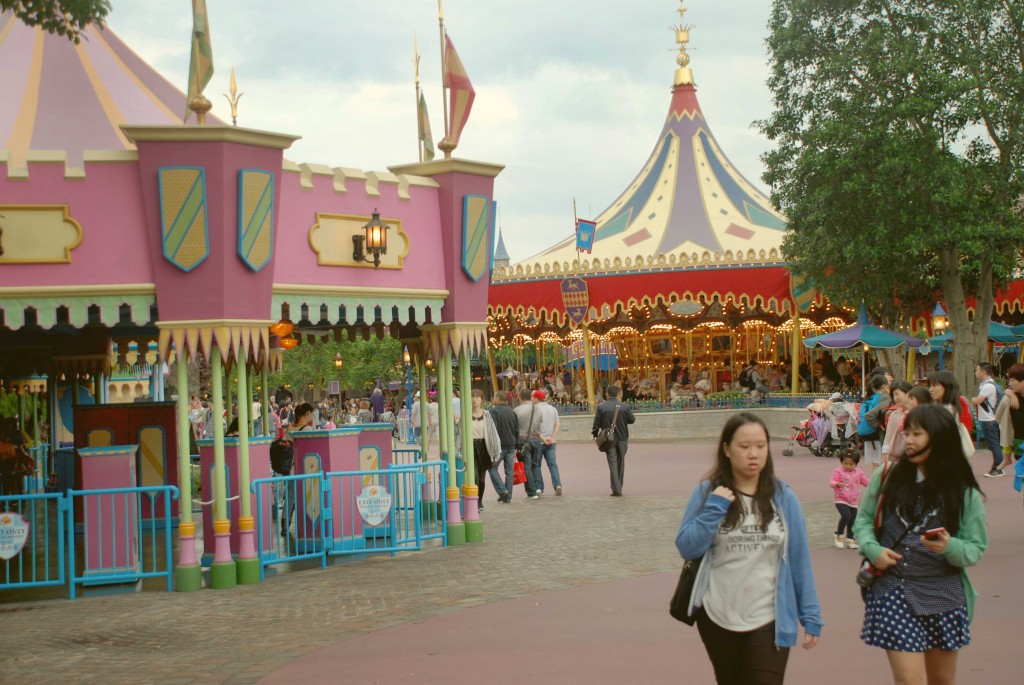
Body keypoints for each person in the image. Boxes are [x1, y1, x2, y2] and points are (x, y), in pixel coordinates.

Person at [675, 413, 822, 684]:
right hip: (718, 614)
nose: (753, 454)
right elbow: (687, 547)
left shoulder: (783, 497)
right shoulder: (708, 492)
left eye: (761, 446)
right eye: (744, 447)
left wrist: (810, 615)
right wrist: (714, 509)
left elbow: (799, 558)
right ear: (727, 449)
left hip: (770, 614)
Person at [853, 404, 987, 684]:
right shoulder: (887, 476)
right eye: (907, 433)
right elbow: (863, 523)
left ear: (939, 438)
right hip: (893, 588)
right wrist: (873, 551)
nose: (909, 441)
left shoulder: (962, 490)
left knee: (941, 680)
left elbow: (975, 547)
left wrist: (950, 546)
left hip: (944, 593)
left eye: (918, 434)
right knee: (910, 680)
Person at [591, 384, 635, 496]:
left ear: (607, 393)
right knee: (621, 463)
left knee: (613, 463)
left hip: (609, 439)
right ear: (618, 394)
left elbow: (596, 424)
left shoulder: (602, 407)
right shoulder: (624, 406)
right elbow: (632, 420)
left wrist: (595, 435)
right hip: (623, 438)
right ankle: (618, 485)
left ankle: (616, 489)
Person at [830, 445, 869, 549]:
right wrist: (836, 484)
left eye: (851, 464)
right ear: (841, 462)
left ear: (856, 463)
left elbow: (866, 481)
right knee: (846, 516)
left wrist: (873, 485)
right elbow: (831, 482)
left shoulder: (859, 472)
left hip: (853, 501)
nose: (848, 466)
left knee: (852, 520)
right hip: (841, 499)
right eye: (845, 463)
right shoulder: (838, 471)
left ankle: (850, 539)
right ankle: (839, 535)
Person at [468, 390, 501, 510]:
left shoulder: (487, 415)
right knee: (475, 476)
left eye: (477, 397)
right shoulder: (465, 414)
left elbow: (493, 432)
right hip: (471, 446)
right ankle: (474, 502)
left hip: (484, 446)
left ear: (482, 399)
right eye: (472, 397)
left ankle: (480, 500)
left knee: (482, 478)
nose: (475, 399)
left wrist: (495, 448)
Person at [971, 362, 1003, 477]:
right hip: (987, 419)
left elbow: (977, 401)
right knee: (993, 444)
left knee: (994, 444)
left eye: (977, 370)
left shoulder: (988, 386)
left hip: (989, 419)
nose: (975, 373)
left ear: (983, 372)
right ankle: (998, 466)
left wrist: (974, 399)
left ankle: (998, 468)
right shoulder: (986, 384)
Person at [488, 391, 518, 504]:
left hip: (499, 446)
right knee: (509, 472)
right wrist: (516, 444)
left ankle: (502, 490)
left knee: (492, 468)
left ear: (498, 398)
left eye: (494, 396)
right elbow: (517, 429)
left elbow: (493, 430)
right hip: (511, 445)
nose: (492, 398)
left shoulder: (494, 411)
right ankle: (508, 496)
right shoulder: (512, 411)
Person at [994, 363, 1024, 475]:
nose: (1009, 384)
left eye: (1013, 381)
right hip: (1018, 444)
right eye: (1009, 380)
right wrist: (1011, 395)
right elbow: (997, 417)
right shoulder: (1008, 399)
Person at [513, 387, 542, 499]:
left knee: (526, 466)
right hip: (536, 439)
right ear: (530, 396)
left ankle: (531, 491)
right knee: (536, 465)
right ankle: (538, 487)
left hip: (523, 440)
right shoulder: (538, 409)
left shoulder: (517, 410)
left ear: (520, 398)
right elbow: (540, 422)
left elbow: (515, 427)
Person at [533, 389, 563, 496]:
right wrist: (552, 437)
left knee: (536, 465)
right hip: (551, 441)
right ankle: (557, 485)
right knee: (553, 465)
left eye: (533, 397)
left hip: (539, 442)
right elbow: (558, 424)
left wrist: (542, 438)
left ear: (536, 398)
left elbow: (535, 428)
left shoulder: (535, 410)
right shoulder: (553, 409)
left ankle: (539, 488)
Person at [858, 374, 891, 473]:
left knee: (874, 464)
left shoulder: (868, 398)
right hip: (877, 434)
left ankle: (874, 484)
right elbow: (870, 415)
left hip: (867, 435)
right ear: (884, 386)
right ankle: (879, 485)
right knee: (882, 462)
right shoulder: (884, 398)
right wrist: (878, 424)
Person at [881, 380, 914, 464]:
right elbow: (888, 438)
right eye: (893, 395)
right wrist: (884, 457)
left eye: (897, 394)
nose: (895, 398)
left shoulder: (918, 412)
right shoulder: (893, 415)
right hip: (897, 458)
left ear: (908, 393)